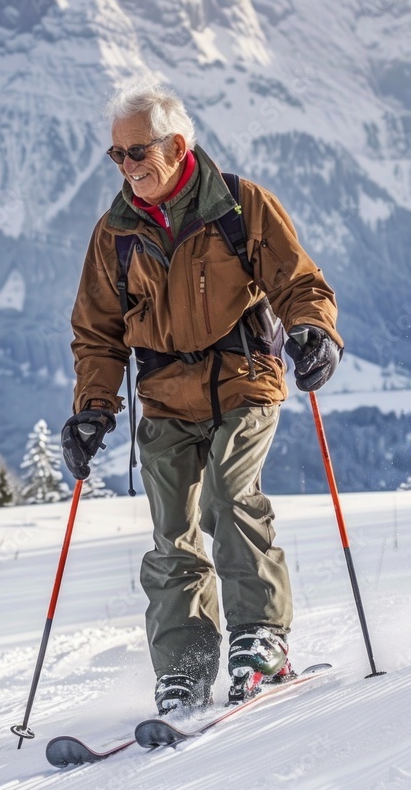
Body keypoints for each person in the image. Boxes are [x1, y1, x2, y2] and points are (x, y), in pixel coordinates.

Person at [61, 80, 343, 715]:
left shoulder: (239, 207)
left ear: (177, 145)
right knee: (172, 536)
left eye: (138, 152)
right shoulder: (115, 234)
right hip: (164, 398)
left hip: (244, 381)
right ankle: (185, 665)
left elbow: (299, 282)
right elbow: (97, 333)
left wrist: (314, 331)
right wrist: (93, 407)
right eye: (118, 155)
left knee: (228, 496)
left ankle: (261, 638)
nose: (127, 166)